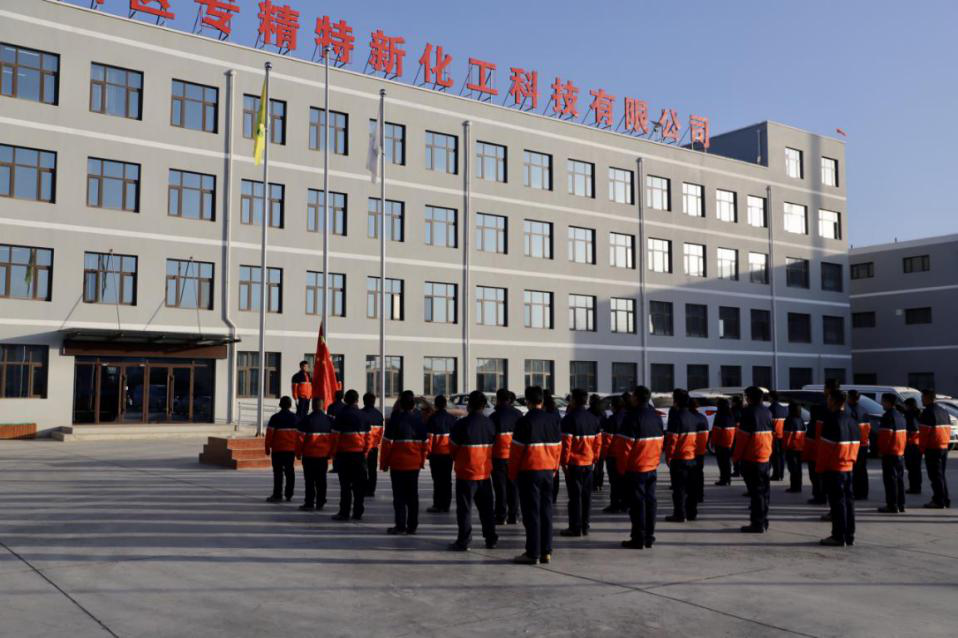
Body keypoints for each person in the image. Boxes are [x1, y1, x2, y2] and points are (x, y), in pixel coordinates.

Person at [509, 386, 562, 565]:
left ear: (527, 401)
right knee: (546, 511)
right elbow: (558, 448)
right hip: (548, 471)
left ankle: (533, 553)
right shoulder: (553, 420)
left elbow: (516, 452)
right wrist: (554, 469)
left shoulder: (524, 421)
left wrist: (512, 474)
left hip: (529, 472)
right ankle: (546, 551)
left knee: (531, 513)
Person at [448, 391, 498, 551]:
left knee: (465, 509)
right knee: (487, 509)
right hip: (484, 473)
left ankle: (464, 540)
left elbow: (452, 449)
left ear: (469, 405)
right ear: (483, 406)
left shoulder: (461, 425)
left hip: (466, 473)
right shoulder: (490, 424)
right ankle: (491, 538)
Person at [617, 385, 664, 549]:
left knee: (637, 505)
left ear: (636, 398)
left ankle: (638, 538)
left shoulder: (631, 418)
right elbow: (660, 442)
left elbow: (624, 447)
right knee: (650, 502)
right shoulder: (656, 417)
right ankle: (649, 537)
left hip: (636, 468)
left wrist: (621, 469)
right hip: (651, 466)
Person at [379, 391, 429, 534]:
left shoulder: (395, 421)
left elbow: (387, 445)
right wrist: (421, 461)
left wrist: (384, 463)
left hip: (398, 464)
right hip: (414, 465)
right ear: (413, 405)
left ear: (400, 404)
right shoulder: (419, 421)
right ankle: (412, 526)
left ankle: (400, 525)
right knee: (413, 496)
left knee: (399, 496)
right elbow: (425, 445)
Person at [817, 390, 860, 547]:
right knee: (848, 502)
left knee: (837, 503)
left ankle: (838, 536)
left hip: (835, 468)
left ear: (834, 401)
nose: (827, 401)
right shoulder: (852, 421)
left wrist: (820, 469)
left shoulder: (831, 420)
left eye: (829, 399)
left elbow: (825, 449)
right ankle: (849, 535)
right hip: (848, 466)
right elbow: (857, 445)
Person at [559, 388, 602, 537]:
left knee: (574, 497)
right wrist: (595, 459)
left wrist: (564, 463)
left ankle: (575, 527)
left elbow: (566, 444)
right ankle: (585, 525)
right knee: (586, 496)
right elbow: (598, 443)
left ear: (574, 400)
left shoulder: (569, 419)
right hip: (589, 463)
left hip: (574, 464)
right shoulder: (593, 419)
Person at [733, 386, 774, 533]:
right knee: (764, 492)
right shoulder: (767, 412)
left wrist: (736, 457)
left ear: (749, 398)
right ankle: (763, 520)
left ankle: (757, 523)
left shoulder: (748, 412)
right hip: (765, 457)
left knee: (756, 493)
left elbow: (742, 439)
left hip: (751, 458)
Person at [330, 390, 371, 521]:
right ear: (357, 400)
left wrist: (333, 454)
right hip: (359, 455)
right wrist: (365, 452)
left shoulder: (341, 415)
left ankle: (344, 512)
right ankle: (358, 512)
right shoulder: (364, 416)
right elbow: (368, 438)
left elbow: (335, 437)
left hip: (344, 455)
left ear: (345, 400)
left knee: (345, 485)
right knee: (359, 486)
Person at [664, 389, 698, 523]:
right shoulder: (693, 417)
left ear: (676, 401)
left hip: (679, 459)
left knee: (679, 489)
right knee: (691, 489)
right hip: (692, 457)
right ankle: (691, 513)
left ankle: (679, 514)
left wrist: (668, 457)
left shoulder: (676, 418)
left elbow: (672, 440)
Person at [296, 397, 334, 511]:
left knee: (309, 481)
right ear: (323, 406)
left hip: (309, 456)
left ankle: (309, 503)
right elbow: (334, 439)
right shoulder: (329, 420)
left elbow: (300, 439)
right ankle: (320, 502)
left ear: (312, 406)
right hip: (323, 456)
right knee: (322, 480)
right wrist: (331, 453)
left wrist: (298, 453)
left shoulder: (306, 420)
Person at [490, 388, 522, 525]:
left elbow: (490, 438)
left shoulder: (493, 416)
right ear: (509, 399)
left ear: (498, 399)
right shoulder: (518, 414)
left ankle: (500, 515)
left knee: (500, 487)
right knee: (513, 486)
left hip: (498, 456)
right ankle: (514, 515)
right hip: (514, 456)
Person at [918, 389, 951, 509]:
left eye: (922, 397)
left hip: (932, 448)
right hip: (943, 447)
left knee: (935, 476)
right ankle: (945, 499)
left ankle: (939, 500)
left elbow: (924, 433)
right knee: (941, 475)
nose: (921, 399)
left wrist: (921, 449)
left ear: (927, 397)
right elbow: (948, 429)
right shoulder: (944, 411)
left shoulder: (927, 412)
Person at [264, 396, 299, 503]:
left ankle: (277, 495)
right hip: (290, 450)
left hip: (277, 450)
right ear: (290, 405)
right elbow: (299, 436)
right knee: (290, 472)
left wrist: (267, 448)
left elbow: (269, 434)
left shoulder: (275, 418)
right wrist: (299, 450)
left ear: (280, 405)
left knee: (278, 473)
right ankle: (289, 494)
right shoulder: (295, 418)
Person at [876, 393, 907, 513]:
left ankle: (892, 505)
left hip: (890, 453)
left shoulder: (887, 416)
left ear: (888, 402)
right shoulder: (900, 416)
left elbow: (885, 437)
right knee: (899, 479)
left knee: (890, 480)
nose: (882, 404)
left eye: (883, 401)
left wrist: (881, 451)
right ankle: (901, 504)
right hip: (900, 452)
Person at [426, 395, 456, 513]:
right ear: (445, 404)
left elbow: (429, 439)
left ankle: (438, 504)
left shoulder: (432, 419)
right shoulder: (452, 419)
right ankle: (446, 505)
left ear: (435, 405)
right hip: (448, 454)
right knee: (447, 480)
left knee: (437, 480)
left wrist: (428, 453)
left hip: (436, 455)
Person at [601, 394, 629, 512]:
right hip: (626, 454)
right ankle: (625, 504)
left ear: (614, 406)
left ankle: (615, 504)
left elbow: (607, 440)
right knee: (625, 480)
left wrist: (604, 454)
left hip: (613, 455)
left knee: (614, 481)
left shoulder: (612, 420)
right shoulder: (628, 417)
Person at [847, 390, 871, 500]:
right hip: (864, 444)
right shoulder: (864, 410)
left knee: (855, 470)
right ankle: (863, 493)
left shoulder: (850, 411)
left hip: (855, 444)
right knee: (862, 469)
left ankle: (856, 492)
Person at [362, 392, 385, 498]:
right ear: (374, 401)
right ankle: (371, 490)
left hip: (363, 447)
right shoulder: (379, 415)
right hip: (374, 447)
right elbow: (381, 432)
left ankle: (364, 488)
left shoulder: (360, 414)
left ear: (364, 401)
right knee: (372, 470)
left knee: (363, 469)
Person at [710, 399, 736, 486]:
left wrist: (713, 442)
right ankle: (728, 478)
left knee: (721, 462)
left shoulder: (719, 416)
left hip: (720, 443)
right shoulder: (731, 415)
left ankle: (723, 479)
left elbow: (716, 431)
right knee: (727, 462)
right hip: (729, 442)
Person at [543, 389, 562, 505]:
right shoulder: (555, 410)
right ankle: (554, 495)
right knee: (555, 470)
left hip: (544, 443)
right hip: (555, 443)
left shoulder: (543, 411)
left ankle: (547, 494)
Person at [783, 402, 807, 493]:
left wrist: (785, 447)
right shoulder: (800, 419)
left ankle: (794, 486)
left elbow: (787, 435)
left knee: (792, 468)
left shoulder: (789, 420)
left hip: (792, 448)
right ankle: (798, 486)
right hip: (800, 447)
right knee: (798, 468)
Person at [690, 398, 709, 505]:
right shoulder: (703, 417)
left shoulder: (689, 418)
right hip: (701, 451)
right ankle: (700, 495)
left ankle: (692, 496)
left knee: (690, 475)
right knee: (699, 474)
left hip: (691, 451)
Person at [903, 397, 923, 494]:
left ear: (908, 406)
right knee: (917, 467)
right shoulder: (919, 414)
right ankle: (917, 486)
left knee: (911, 467)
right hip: (919, 444)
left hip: (911, 444)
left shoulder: (909, 416)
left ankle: (913, 487)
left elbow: (911, 429)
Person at [589, 394, 606, 492]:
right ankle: (600, 483)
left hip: (591, 440)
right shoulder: (602, 413)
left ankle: (594, 484)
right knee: (600, 464)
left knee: (592, 463)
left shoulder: (589, 412)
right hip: (601, 440)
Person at [769, 391, 787, 481]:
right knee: (782, 456)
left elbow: (769, 424)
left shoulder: (770, 409)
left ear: (771, 398)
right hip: (783, 436)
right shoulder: (784, 409)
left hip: (774, 437)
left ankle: (776, 475)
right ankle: (781, 474)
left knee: (775, 457)